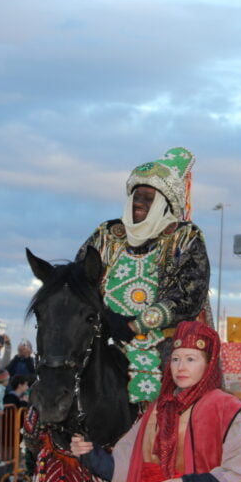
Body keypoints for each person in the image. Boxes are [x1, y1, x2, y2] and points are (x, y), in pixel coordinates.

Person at [76, 147, 211, 404]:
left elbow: (189, 295)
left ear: (164, 204)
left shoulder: (184, 236)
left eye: (149, 199)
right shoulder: (106, 233)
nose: (139, 203)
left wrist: (135, 326)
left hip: (165, 348)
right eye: (137, 196)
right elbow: (80, 279)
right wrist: (108, 319)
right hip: (104, 338)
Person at [70, 321, 241, 482]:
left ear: (208, 364)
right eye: (176, 359)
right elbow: (127, 467)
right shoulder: (159, 408)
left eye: (191, 359)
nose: (181, 367)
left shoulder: (229, 411)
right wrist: (91, 454)